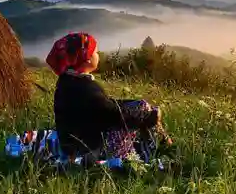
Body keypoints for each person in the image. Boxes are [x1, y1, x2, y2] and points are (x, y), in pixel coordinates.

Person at [46, 32, 171, 161]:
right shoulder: (86, 88)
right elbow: (112, 116)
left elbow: (103, 106)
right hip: (89, 150)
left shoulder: (67, 81)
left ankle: (158, 142)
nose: (98, 55)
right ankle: (160, 147)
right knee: (144, 109)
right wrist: (146, 120)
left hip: (71, 144)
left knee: (140, 105)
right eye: (95, 52)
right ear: (87, 58)